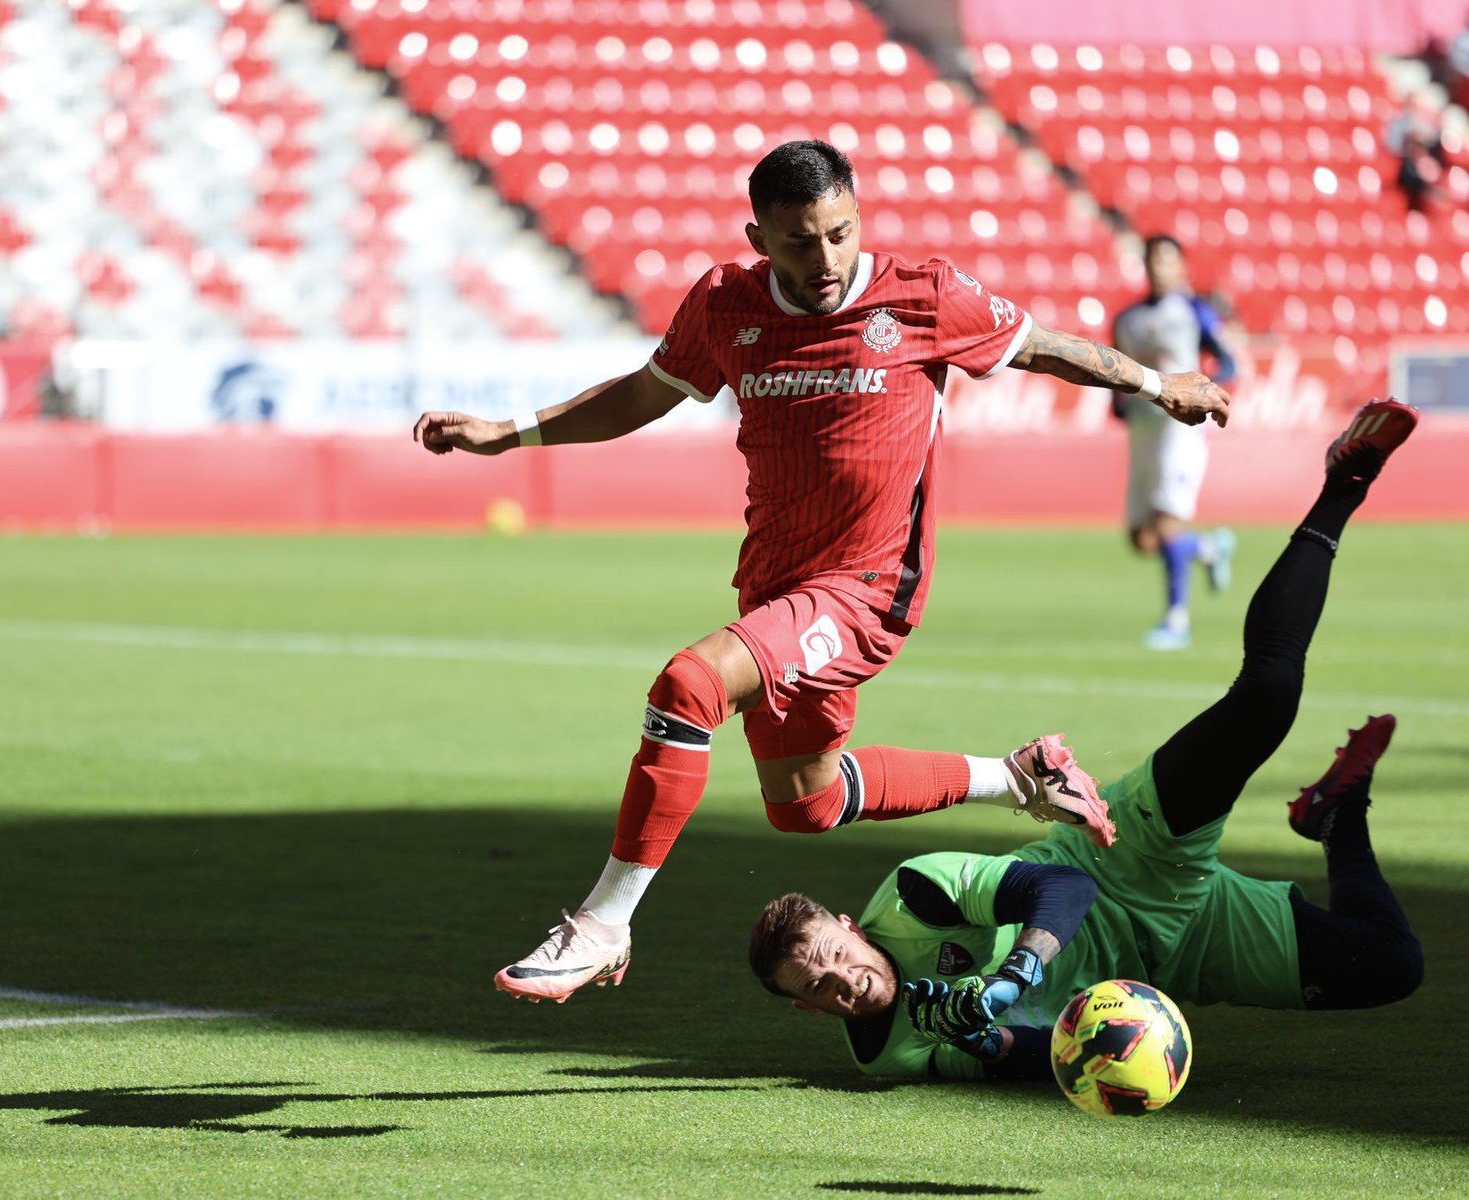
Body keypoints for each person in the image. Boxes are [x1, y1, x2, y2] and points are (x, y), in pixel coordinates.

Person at [413, 139, 1230, 1005]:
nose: (827, 258)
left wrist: (1154, 383)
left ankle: (604, 923)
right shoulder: (724, 305)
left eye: (841, 232)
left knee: (689, 686)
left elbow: (1040, 347)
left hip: (867, 589)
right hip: (776, 585)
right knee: (803, 800)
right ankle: (1021, 776)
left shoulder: (922, 295)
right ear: (758, 236)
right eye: (800, 241)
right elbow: (644, 393)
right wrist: (513, 432)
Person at [748, 398, 1423, 1082]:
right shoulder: (890, 1055)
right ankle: (1337, 817)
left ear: (849, 926)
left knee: (1268, 696)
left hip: (1124, 857)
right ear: (810, 1012)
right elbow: (1039, 1063)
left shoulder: (914, 896)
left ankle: (1344, 485)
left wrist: (1012, 976)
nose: (844, 981)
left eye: (835, 954)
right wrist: (987, 1041)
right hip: (1179, 953)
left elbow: (1064, 888)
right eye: (818, 989)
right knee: (1393, 966)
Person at [1110, 235, 1239, 651]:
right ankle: (1208, 548)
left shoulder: (1193, 312)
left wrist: (1208, 391)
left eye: (1167, 262)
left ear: (1181, 267)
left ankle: (1176, 620)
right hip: (1143, 432)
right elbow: (1114, 367)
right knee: (1141, 539)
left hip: (1180, 429)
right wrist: (1118, 403)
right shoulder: (1126, 319)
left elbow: (1228, 358)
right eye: (1152, 262)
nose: (1159, 270)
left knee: (1166, 525)